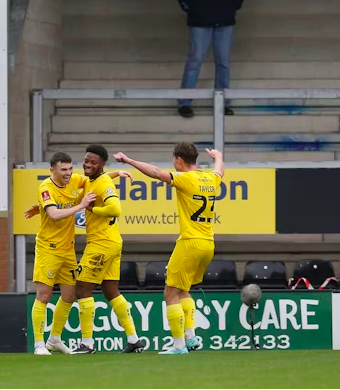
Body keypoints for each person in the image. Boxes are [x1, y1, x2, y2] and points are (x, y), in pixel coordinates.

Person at [114, 143, 224, 354]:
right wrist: (218, 156)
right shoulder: (210, 178)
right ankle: (191, 338)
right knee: (183, 290)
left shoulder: (185, 179)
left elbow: (155, 173)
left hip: (190, 242)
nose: (173, 164)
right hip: (208, 243)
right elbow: (220, 170)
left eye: (174, 160)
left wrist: (128, 161)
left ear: (180, 160)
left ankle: (178, 345)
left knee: (170, 293)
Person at [24, 152, 134, 355]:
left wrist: (118, 172)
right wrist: (82, 206)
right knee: (44, 295)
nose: (68, 173)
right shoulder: (46, 188)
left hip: (67, 250)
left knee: (69, 296)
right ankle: (39, 344)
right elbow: (54, 215)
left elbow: (98, 181)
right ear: (52, 170)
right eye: (63, 169)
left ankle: (54, 339)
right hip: (48, 248)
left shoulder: (75, 180)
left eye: (69, 169)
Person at [71, 144, 146, 354]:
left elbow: (115, 208)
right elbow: (100, 181)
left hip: (101, 243)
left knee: (82, 289)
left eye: (93, 162)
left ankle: (87, 343)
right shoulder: (96, 180)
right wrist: (116, 173)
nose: (88, 164)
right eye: (86, 160)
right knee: (110, 291)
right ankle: (133, 339)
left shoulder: (101, 183)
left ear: (102, 164)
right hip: (112, 242)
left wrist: (93, 208)